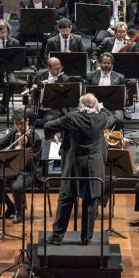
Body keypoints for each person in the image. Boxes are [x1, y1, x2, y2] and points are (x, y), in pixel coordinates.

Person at [43, 93, 116, 245]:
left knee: (66, 197)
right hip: (93, 166)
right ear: (95, 105)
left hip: (73, 165)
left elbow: (48, 125)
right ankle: (86, 239)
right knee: (90, 203)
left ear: (80, 106)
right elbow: (113, 118)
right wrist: (102, 108)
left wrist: (51, 136)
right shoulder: (101, 118)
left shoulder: (72, 118)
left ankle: (57, 237)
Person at [0, 109, 41, 225]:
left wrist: (21, 150)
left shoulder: (35, 138)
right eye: (16, 124)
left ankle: (19, 212)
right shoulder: (14, 131)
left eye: (21, 123)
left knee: (16, 186)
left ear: (27, 120)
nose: (19, 126)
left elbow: (32, 164)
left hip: (29, 172)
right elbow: (1, 142)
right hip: (12, 169)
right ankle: (10, 206)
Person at [30, 56, 72, 128]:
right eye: (56, 69)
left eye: (60, 68)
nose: (59, 70)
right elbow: (31, 89)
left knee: (49, 120)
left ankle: (35, 123)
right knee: (27, 114)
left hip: (54, 109)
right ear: (49, 68)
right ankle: (39, 122)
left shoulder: (65, 79)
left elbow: (66, 98)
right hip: (39, 107)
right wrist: (37, 87)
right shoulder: (40, 75)